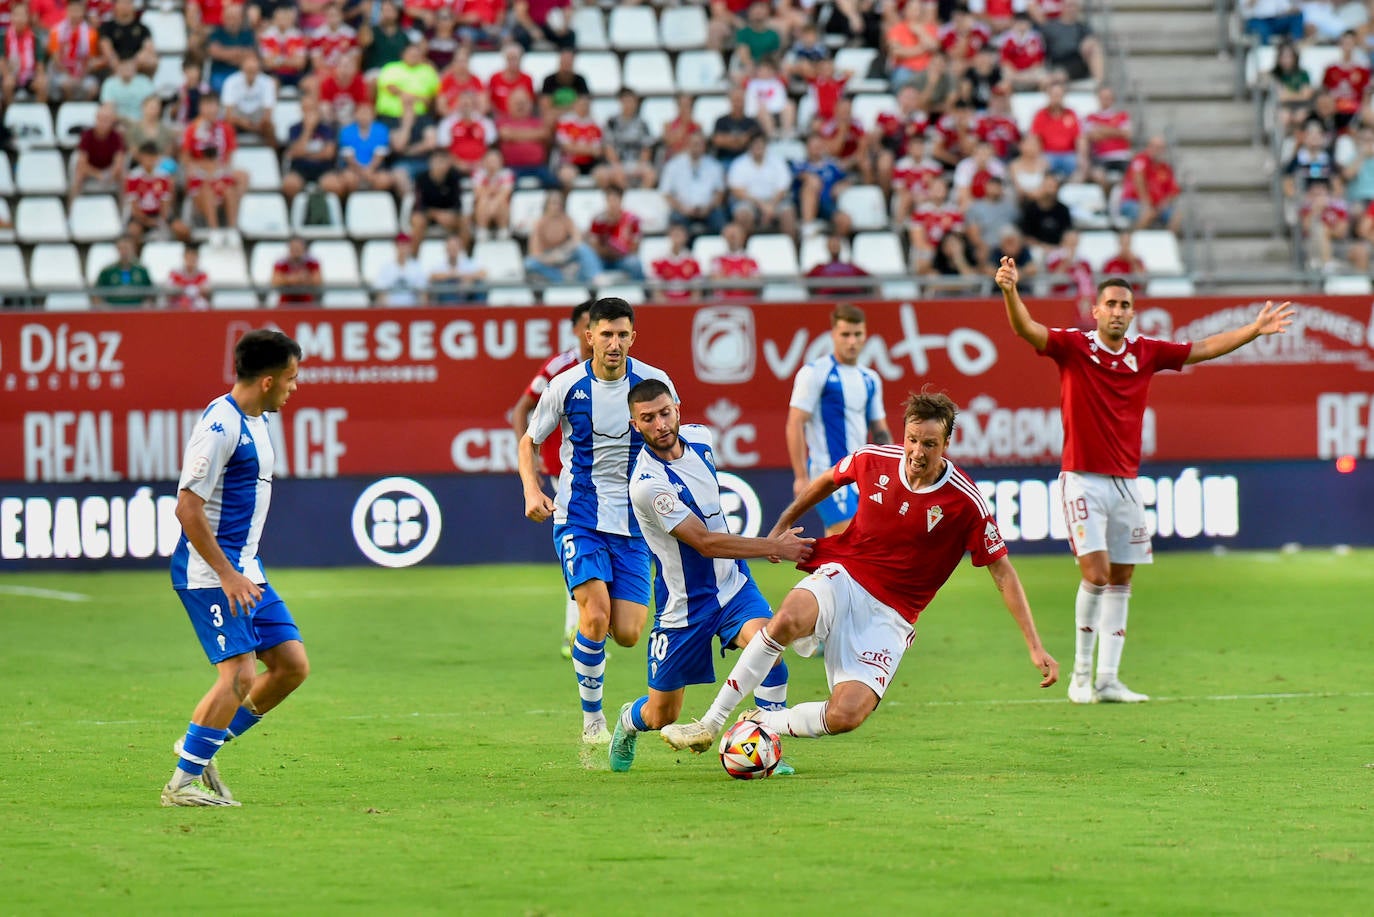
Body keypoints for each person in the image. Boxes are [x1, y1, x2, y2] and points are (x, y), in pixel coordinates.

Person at [661, 391, 1059, 755]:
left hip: (891, 616)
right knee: (787, 619)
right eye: (913, 439)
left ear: (947, 444)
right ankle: (710, 723)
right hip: (844, 575)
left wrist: (1035, 645)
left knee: (845, 716)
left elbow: (1002, 572)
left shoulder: (965, 501)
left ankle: (763, 723)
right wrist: (782, 524)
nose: (918, 451)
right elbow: (827, 480)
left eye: (930, 444)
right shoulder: (874, 459)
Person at [994, 258, 1294, 704]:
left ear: (1133, 313)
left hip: (1126, 485)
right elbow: (1028, 330)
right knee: (1094, 575)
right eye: (1110, 303)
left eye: (1125, 305)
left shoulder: (1146, 352)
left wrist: (1253, 330)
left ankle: (1109, 678)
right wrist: (1010, 292)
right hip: (1082, 481)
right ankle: (1080, 676)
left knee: (1122, 577)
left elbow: (1205, 348)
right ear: (1095, 311)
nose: (1117, 310)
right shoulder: (1074, 347)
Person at [608, 379, 814, 773]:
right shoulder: (647, 486)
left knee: (768, 645)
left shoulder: (701, 439)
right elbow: (703, 542)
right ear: (636, 425)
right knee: (662, 714)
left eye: (665, 413)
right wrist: (774, 546)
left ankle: (769, 748)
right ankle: (627, 722)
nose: (660, 424)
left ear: (678, 409)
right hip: (684, 609)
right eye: (648, 419)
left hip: (733, 587)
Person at [517, 298, 677, 752]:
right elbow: (529, 442)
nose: (614, 343)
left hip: (633, 522)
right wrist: (532, 490)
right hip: (579, 516)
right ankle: (592, 720)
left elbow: (671, 442)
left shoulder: (654, 384)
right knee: (596, 615)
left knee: (627, 633)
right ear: (589, 336)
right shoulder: (565, 386)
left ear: (633, 336)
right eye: (605, 334)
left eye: (622, 334)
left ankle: (603, 665)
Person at [161, 329, 306, 807]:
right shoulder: (221, 427)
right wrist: (226, 574)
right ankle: (183, 783)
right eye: (290, 377)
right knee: (240, 675)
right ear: (267, 380)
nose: (294, 386)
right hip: (211, 573)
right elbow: (187, 508)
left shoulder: (256, 417)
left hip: (247, 568)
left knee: (289, 666)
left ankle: (202, 749)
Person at [510, 299, 594, 658]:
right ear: (577, 329)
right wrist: (531, 452)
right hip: (569, 475)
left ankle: (590, 627)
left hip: (614, 478)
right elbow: (521, 408)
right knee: (579, 547)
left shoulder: (621, 369)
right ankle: (574, 631)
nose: (598, 335)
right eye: (591, 325)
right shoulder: (561, 367)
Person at [786, 304, 891, 536]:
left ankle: (825, 572)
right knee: (851, 535)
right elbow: (795, 422)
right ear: (833, 335)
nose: (852, 341)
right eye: (845, 335)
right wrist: (801, 477)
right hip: (827, 473)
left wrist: (892, 472)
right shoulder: (814, 373)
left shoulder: (870, 379)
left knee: (842, 545)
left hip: (860, 475)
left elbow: (880, 430)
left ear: (865, 335)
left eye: (857, 334)